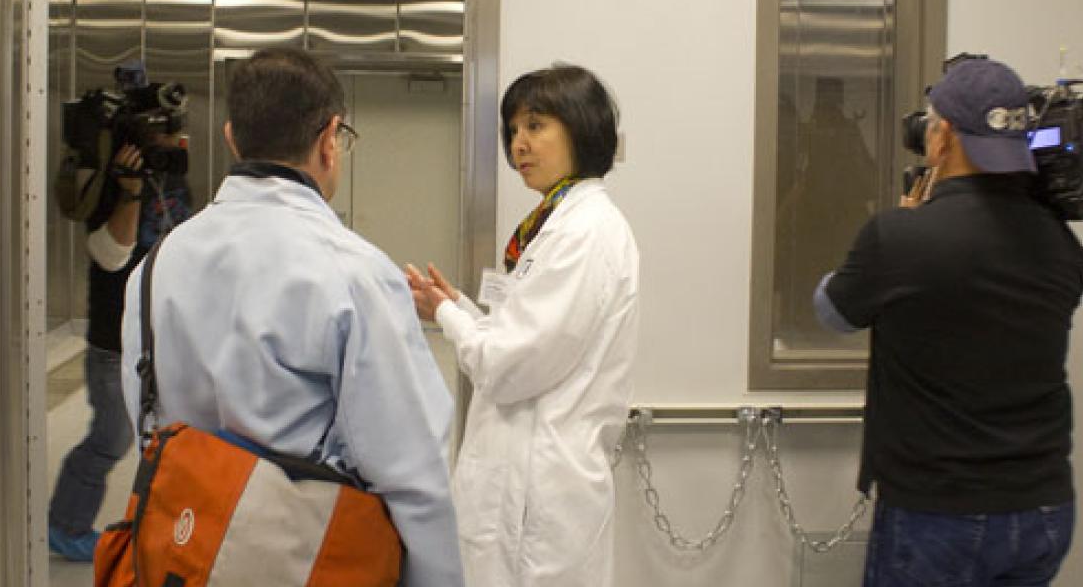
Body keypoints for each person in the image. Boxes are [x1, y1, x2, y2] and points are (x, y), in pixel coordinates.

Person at [119, 47, 464, 587]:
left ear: (232, 137)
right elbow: (413, 474)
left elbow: (147, 421)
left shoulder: (156, 265)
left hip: (181, 555)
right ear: (330, 139)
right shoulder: (353, 273)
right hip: (305, 560)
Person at [814, 57, 1083, 587]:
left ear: (943, 139)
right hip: (1043, 507)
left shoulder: (901, 237)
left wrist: (890, 243)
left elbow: (833, 312)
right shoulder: (1059, 243)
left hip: (937, 512)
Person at [406, 64, 640, 587]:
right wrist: (460, 307)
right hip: (524, 481)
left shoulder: (585, 232)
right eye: (513, 130)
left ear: (580, 129)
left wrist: (447, 317)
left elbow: (508, 367)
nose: (519, 145)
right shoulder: (553, 222)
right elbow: (522, 331)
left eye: (536, 126)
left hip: (541, 493)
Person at [48, 120, 192, 562]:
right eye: (164, 140)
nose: (175, 145)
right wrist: (130, 189)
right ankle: (66, 525)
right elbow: (111, 257)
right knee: (111, 438)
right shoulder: (112, 187)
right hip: (115, 342)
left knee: (171, 442)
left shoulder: (174, 182)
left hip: (164, 336)